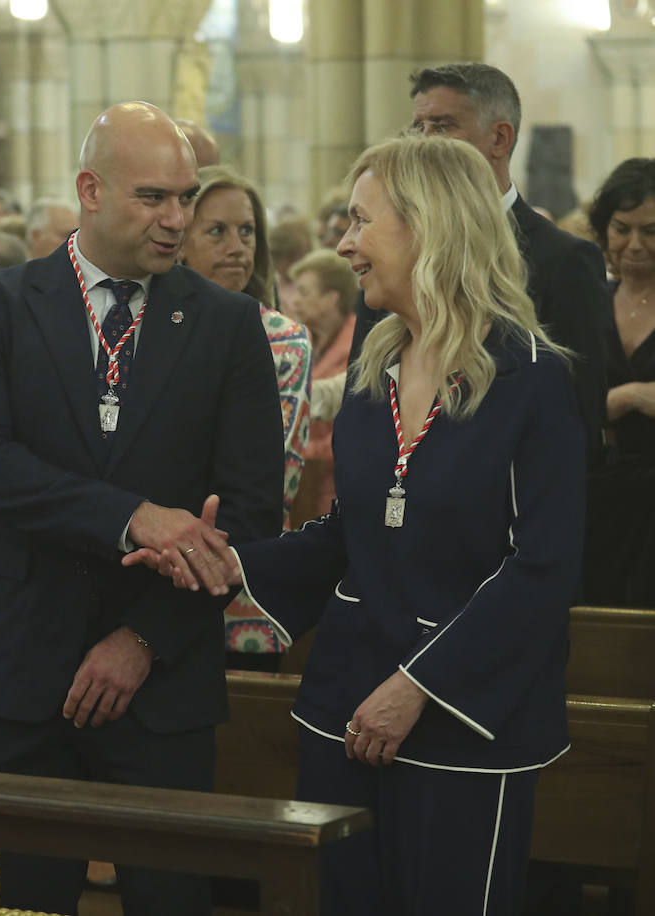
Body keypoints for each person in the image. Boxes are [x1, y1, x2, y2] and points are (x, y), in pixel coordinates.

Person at [128, 135, 584, 916]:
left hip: (467, 719)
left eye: (360, 221)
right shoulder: (376, 371)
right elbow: (352, 531)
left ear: (429, 226)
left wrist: (417, 688)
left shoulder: (533, 379)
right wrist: (231, 564)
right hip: (346, 702)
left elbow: (542, 566)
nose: (343, 245)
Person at [0, 101, 283, 914]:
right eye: (153, 197)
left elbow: (251, 511)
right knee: (13, 901)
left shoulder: (226, 324)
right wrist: (134, 516)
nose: (177, 220)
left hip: (162, 680)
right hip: (18, 673)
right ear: (91, 190)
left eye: (185, 198)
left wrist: (141, 641)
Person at [350, 63, 608, 463]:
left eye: (442, 126)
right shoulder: (390, 254)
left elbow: (579, 418)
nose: (424, 142)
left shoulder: (564, 260)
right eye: (418, 127)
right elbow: (365, 399)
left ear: (499, 138)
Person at [183, 166, 313, 665]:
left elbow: (275, 478)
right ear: (179, 240)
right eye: (216, 232)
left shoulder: (282, 338)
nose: (237, 246)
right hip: (142, 575)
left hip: (241, 587)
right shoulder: (142, 327)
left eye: (247, 231)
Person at [583, 157, 655, 606]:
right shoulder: (590, 299)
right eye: (622, 228)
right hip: (599, 487)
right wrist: (628, 397)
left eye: (651, 230)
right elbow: (566, 397)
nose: (635, 244)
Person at [290, 248, 360, 517]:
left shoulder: (356, 347)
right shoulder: (305, 340)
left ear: (332, 299)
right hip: (307, 491)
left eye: (305, 292)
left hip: (332, 498)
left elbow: (346, 436)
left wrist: (294, 450)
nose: (295, 301)